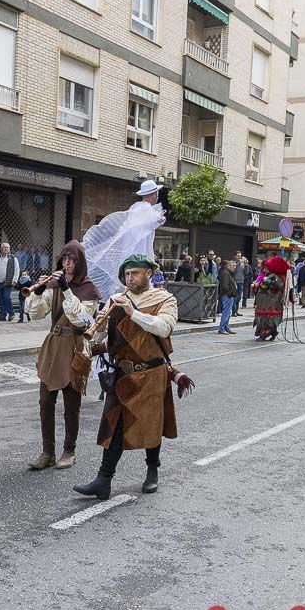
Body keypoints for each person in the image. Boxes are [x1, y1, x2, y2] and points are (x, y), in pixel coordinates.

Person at [74, 254, 180, 500]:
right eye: (127, 274)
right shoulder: (116, 300)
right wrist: (93, 330)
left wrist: (133, 312)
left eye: (135, 273)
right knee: (115, 426)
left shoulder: (165, 299)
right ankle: (103, 480)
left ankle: (152, 471)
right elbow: (103, 338)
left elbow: (164, 328)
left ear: (149, 274)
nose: (130, 279)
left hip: (151, 373)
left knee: (152, 424)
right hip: (123, 373)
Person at [27, 240, 100, 471]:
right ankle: (47, 452)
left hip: (74, 346)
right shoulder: (55, 286)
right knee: (45, 402)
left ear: (80, 264)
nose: (67, 264)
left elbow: (84, 320)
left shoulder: (89, 290)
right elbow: (36, 314)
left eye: (72, 260)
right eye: (64, 260)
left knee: (71, 405)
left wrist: (67, 290)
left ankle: (69, 451)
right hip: (53, 346)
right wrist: (38, 292)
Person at [82, 180, 166, 299]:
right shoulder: (146, 210)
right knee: (138, 290)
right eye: (157, 193)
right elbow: (159, 220)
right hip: (140, 259)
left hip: (132, 258)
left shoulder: (135, 209)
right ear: (154, 194)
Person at [252, 256, 291, 341]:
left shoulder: (276, 277)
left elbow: (278, 286)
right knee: (263, 318)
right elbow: (258, 286)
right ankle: (273, 332)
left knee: (269, 319)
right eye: (264, 268)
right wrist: (255, 285)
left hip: (272, 302)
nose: (265, 270)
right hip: (262, 302)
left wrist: (269, 283)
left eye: (266, 268)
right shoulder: (263, 275)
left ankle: (265, 334)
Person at [0, 242, 20, 322]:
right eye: (4, 247)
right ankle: (2, 315)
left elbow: (17, 270)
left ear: (9, 249)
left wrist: (14, 280)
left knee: (6, 298)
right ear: (1, 249)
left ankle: (11, 313)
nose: (5, 249)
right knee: (0, 299)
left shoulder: (13, 258)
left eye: (7, 247)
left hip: (8, 282)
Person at [217, 259, 238, 335]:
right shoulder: (225, 273)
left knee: (228, 312)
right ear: (228, 266)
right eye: (233, 266)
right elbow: (225, 286)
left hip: (228, 295)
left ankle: (226, 327)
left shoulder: (227, 273)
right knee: (226, 312)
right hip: (227, 295)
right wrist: (230, 294)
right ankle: (222, 328)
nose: (234, 268)